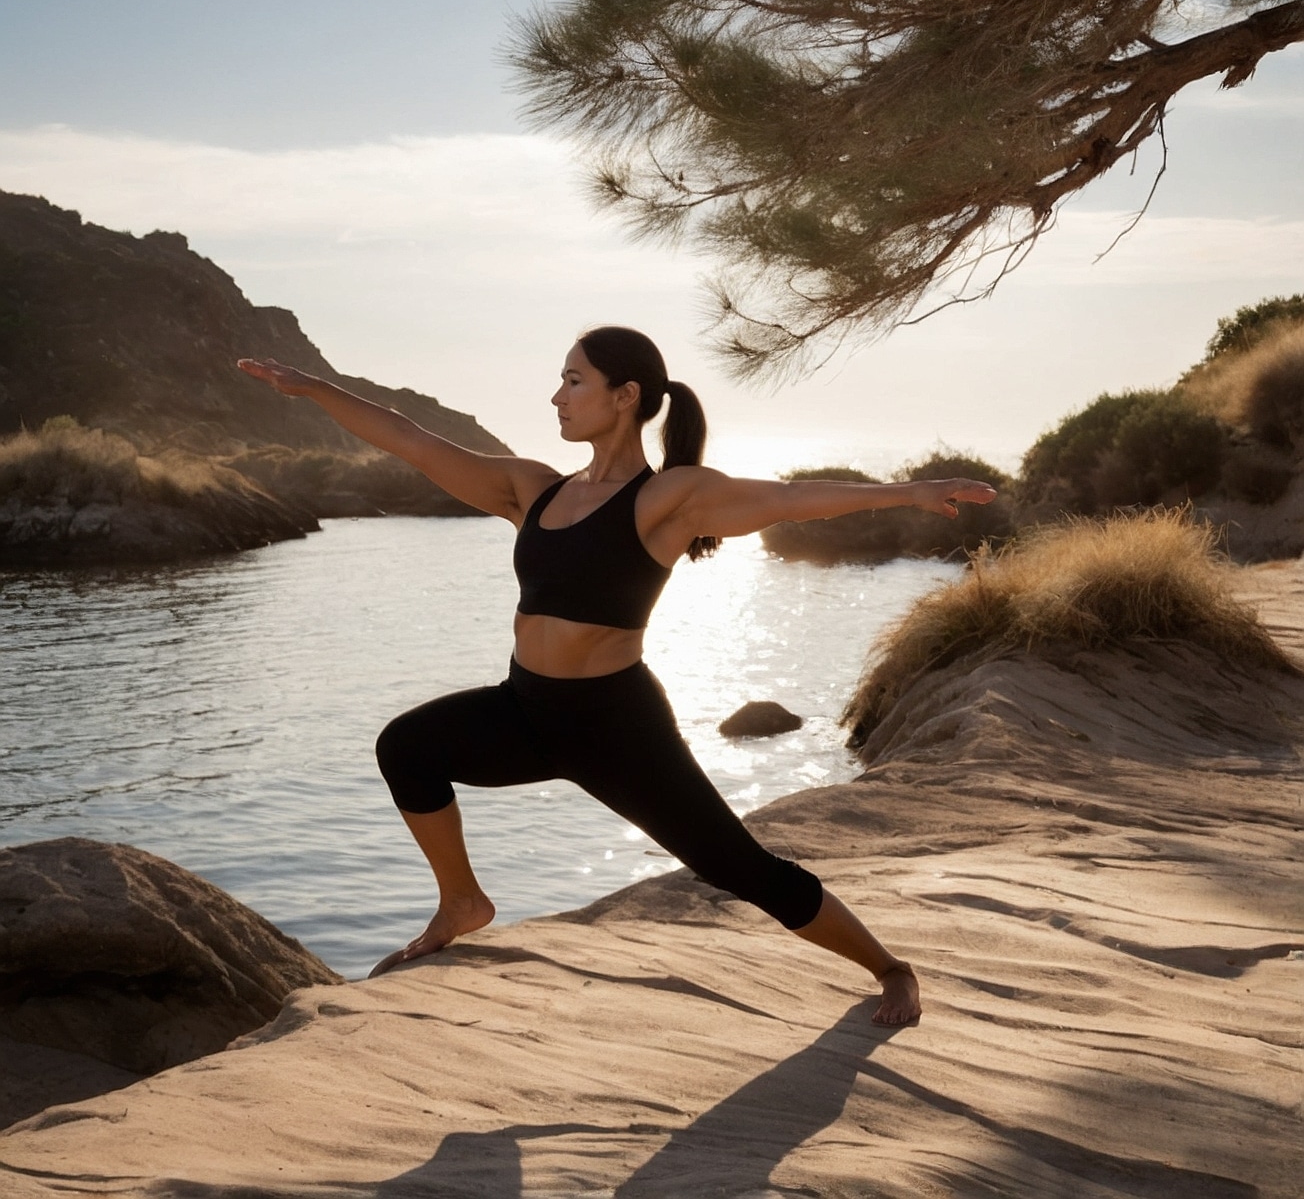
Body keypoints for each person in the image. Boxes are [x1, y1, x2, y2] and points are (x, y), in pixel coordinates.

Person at [238, 327, 996, 1025]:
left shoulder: (667, 499)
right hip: (526, 708)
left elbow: (789, 500)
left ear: (625, 396)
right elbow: (411, 440)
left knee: (738, 866)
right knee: (407, 746)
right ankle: (461, 901)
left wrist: (913, 492)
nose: (557, 397)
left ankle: (890, 968)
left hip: (615, 724)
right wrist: (316, 389)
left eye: (574, 381)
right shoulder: (533, 488)